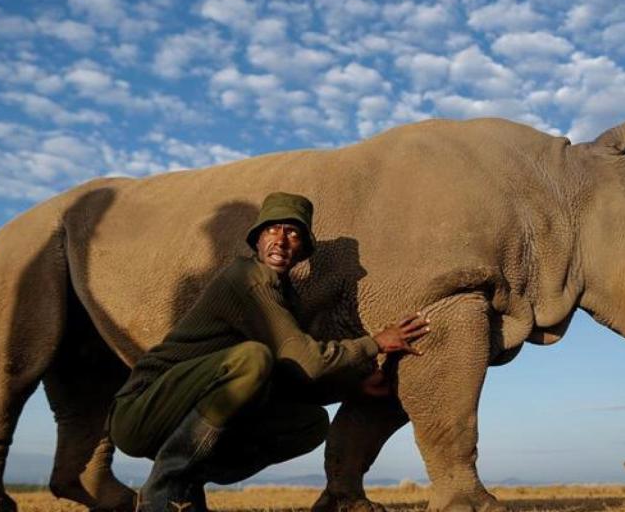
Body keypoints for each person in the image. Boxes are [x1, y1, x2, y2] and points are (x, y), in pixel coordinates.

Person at [109, 191, 429, 512]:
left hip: (181, 417)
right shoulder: (246, 277)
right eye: (272, 230)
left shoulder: (284, 298)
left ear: (302, 248)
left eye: (292, 233)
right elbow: (307, 359)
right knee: (252, 359)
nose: (281, 240)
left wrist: (354, 386)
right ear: (258, 240)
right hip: (141, 410)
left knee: (310, 423)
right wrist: (376, 343)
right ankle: (164, 487)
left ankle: (189, 481)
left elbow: (295, 375)